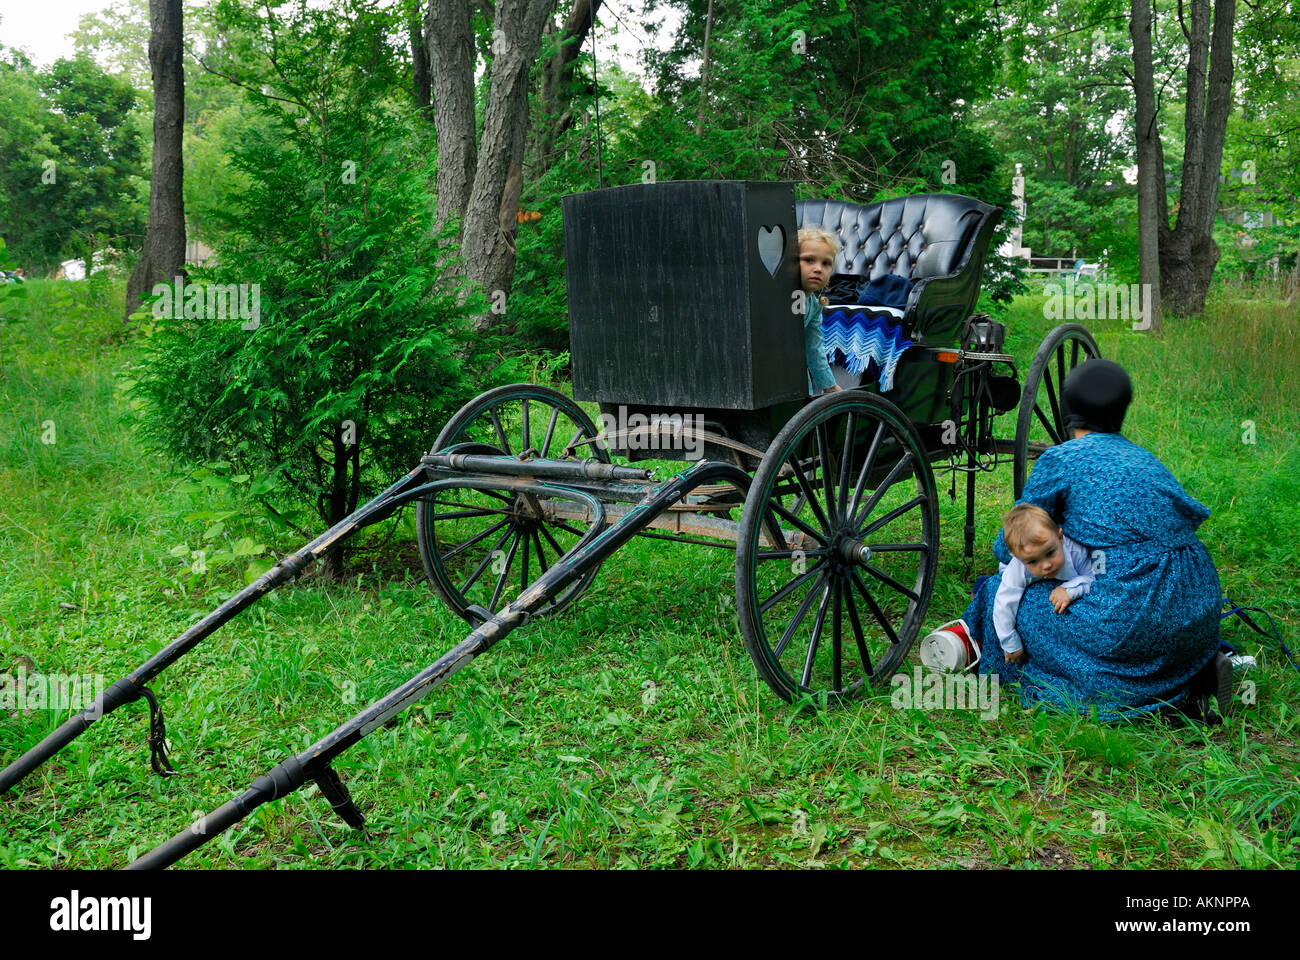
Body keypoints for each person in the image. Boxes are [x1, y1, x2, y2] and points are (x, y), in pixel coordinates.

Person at [960, 358, 1227, 720]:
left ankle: (1139, 692)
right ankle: (1192, 672)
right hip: (1199, 605)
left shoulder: (1062, 459)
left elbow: (1009, 548)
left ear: (1068, 410)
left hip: (1132, 614)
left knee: (1001, 593)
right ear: (1121, 410)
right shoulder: (1145, 458)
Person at [994, 503, 1096, 665]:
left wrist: (1069, 589)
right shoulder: (1018, 566)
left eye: (1050, 553)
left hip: (1068, 575)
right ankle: (982, 583)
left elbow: (1094, 577)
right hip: (1010, 571)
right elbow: (1004, 603)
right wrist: (1011, 643)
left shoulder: (1077, 553)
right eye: (1033, 561)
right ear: (1018, 558)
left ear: (1060, 538)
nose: (1046, 565)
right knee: (1000, 583)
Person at [798, 227, 842, 397]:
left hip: (796, 378)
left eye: (826, 264)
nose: (818, 269)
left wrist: (829, 385)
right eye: (809, 260)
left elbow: (813, 346)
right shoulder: (785, 296)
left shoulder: (814, 304)